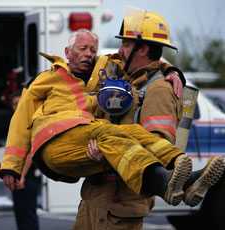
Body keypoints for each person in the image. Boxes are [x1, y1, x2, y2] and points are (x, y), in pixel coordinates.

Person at [0, 28, 224, 207]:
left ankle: (184, 178)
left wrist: (171, 71)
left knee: (132, 133)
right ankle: (164, 183)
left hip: (85, 135)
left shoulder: (107, 69)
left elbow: (145, 59)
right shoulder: (46, 79)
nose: (88, 53)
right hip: (53, 143)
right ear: (68, 53)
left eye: (92, 49)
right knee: (107, 132)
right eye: (82, 48)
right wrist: (11, 166)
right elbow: (20, 120)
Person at [72, 10, 225, 230]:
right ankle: (191, 181)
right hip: (94, 199)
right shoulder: (129, 79)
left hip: (119, 205)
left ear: (142, 48)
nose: (120, 50)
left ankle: (190, 181)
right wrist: (170, 67)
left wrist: (105, 154)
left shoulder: (159, 90)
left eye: (125, 44)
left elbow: (156, 149)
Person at [9, 90, 41, 230]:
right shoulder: (16, 123)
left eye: (19, 103)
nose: (16, 106)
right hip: (18, 174)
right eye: (14, 104)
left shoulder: (30, 121)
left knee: (28, 214)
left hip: (27, 176)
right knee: (20, 214)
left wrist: (21, 176)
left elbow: (31, 152)